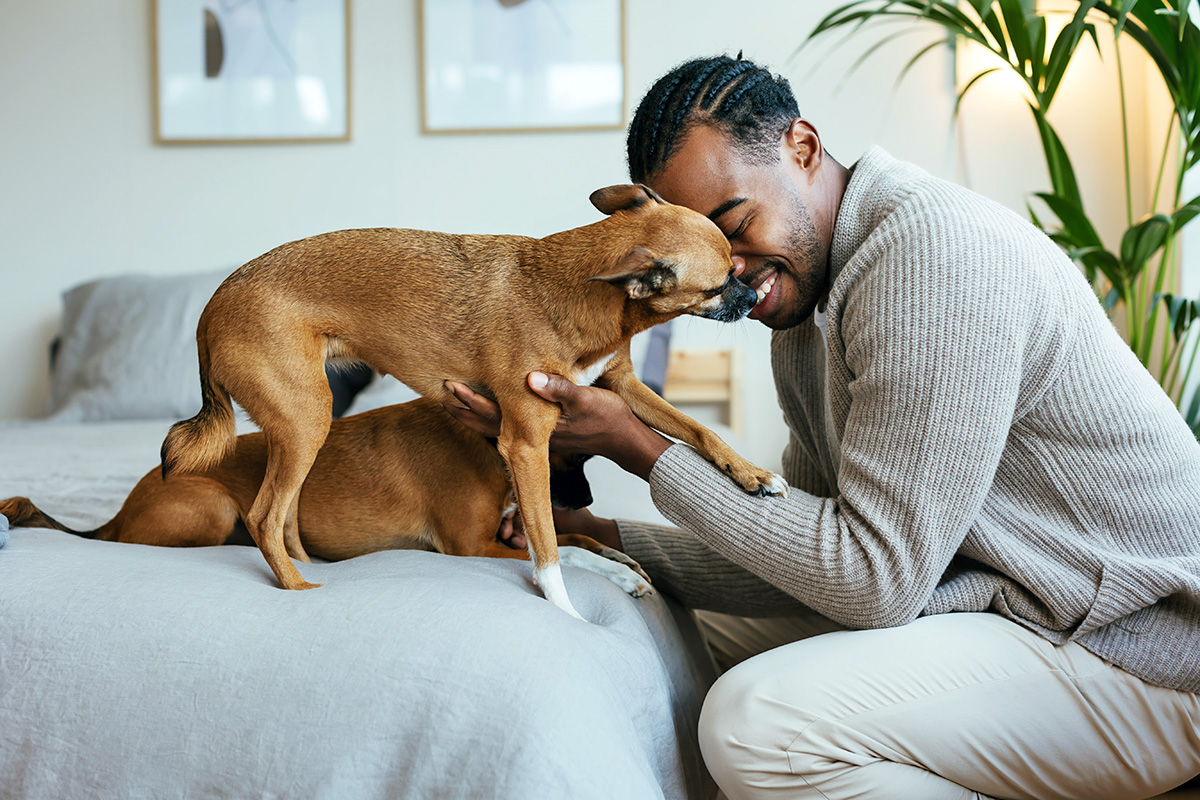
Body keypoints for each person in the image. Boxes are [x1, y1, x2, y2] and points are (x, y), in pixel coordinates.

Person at [444, 54, 1200, 800]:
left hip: (1138, 650)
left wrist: (636, 444)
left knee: (752, 725)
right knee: (665, 646)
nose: (728, 269)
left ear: (801, 148)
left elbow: (873, 583)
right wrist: (599, 535)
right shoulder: (807, 309)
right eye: (701, 248)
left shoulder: (930, 256)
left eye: (734, 224)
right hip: (1014, 610)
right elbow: (805, 557)